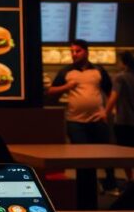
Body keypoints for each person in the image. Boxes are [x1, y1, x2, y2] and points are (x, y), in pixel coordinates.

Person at [47, 39, 117, 192]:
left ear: (86, 52)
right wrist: (67, 86)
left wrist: (106, 111)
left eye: (77, 51)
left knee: (106, 154)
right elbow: (51, 91)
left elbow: (112, 93)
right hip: (75, 122)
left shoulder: (98, 70)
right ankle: (86, 187)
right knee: (82, 158)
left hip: (97, 119)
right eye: (72, 51)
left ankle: (111, 185)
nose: (74, 54)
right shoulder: (66, 71)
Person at [106, 52, 134, 181]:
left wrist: (105, 112)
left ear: (123, 63)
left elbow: (113, 97)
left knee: (124, 154)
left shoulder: (120, 77)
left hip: (123, 120)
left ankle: (130, 180)